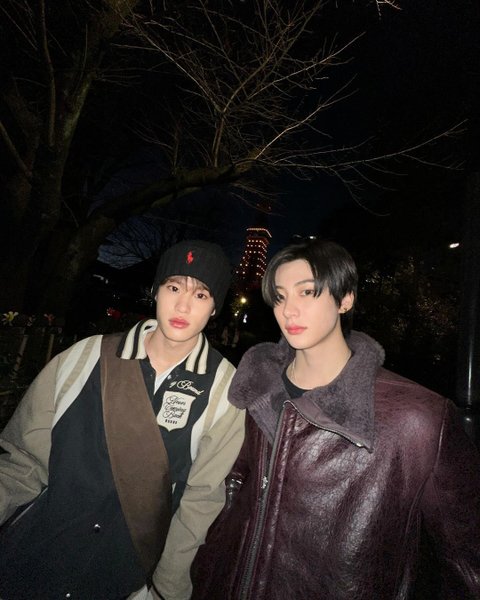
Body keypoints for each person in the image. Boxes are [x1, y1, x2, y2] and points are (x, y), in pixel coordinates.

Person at [191, 238, 480, 600]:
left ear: (345, 299)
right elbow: (226, 495)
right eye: (280, 297)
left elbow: (467, 561)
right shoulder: (253, 390)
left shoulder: (418, 419)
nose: (289, 310)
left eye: (307, 292)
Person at [0, 240, 245, 600]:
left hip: (126, 579)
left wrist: (166, 589)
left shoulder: (224, 389)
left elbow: (199, 505)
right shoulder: (84, 357)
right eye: (173, 287)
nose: (182, 305)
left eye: (200, 294)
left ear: (214, 308)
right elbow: (22, 462)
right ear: (156, 291)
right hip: (34, 560)